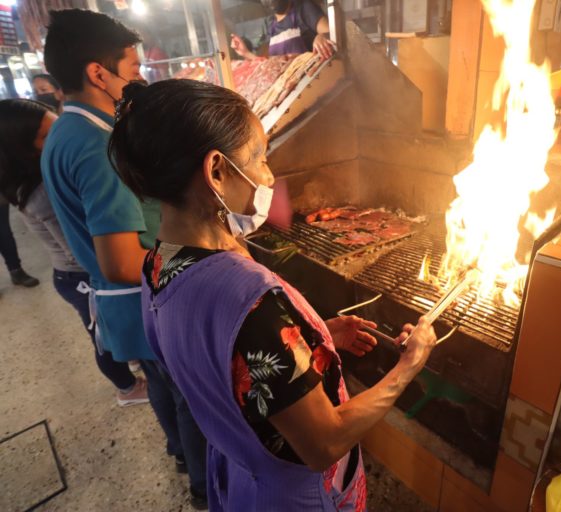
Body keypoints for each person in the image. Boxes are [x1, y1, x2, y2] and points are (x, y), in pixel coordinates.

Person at [109, 78, 437, 511]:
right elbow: (326, 442)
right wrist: (407, 367)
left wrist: (312, 336)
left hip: (237, 476)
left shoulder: (158, 263)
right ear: (217, 171)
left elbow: (223, 359)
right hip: (295, 498)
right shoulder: (253, 305)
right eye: (259, 157)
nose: (267, 174)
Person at [41, 9, 207, 508]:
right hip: (141, 295)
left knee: (160, 385)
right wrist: (201, 261)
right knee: (191, 398)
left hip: (123, 305)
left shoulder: (65, 132)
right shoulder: (96, 146)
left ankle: (178, 452)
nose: (138, 76)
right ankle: (204, 488)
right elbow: (118, 259)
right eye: (132, 67)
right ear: (98, 72)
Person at [0, 98, 147, 405]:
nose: (58, 139)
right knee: (103, 336)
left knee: (115, 330)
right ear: (21, 150)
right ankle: (127, 388)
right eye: (46, 137)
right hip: (77, 276)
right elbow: (81, 249)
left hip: (81, 271)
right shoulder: (41, 193)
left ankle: (130, 358)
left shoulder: (48, 171)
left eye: (57, 126)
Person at [230, 0, 335, 59]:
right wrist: (246, 53)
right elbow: (269, 63)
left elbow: (332, 33)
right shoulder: (271, 24)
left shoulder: (303, 8)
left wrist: (322, 36)